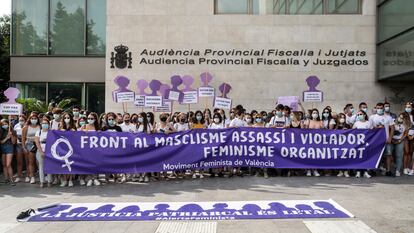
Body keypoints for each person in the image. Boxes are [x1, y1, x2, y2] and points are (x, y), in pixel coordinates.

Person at [369, 102, 394, 176]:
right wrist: (376, 128)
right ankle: (373, 169)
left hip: (386, 139)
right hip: (376, 140)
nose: (379, 109)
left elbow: (392, 128)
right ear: (376, 108)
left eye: (381, 108)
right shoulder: (372, 117)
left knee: (388, 155)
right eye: (378, 108)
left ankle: (388, 170)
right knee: (374, 155)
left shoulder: (388, 117)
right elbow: (370, 129)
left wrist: (390, 137)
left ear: (383, 109)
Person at [81, 112, 101, 186]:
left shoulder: (97, 128)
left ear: (95, 119)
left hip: (95, 149)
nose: (90, 119)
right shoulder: (84, 126)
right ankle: (89, 178)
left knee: (95, 163)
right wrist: (82, 131)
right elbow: (77, 135)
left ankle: (95, 178)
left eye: (91, 118)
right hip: (86, 149)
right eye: (88, 118)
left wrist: (100, 133)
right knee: (88, 164)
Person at [21, 113, 41, 184]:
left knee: (39, 161)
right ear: (29, 119)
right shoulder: (26, 127)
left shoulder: (40, 126)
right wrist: (23, 147)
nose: (34, 120)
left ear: (37, 119)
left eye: (35, 118)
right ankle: (32, 177)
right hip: (29, 145)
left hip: (39, 145)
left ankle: (41, 176)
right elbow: (23, 138)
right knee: (31, 162)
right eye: (32, 118)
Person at [58, 113, 77, 187]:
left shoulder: (73, 127)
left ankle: (70, 180)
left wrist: (74, 132)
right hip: (63, 148)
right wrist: (59, 131)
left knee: (70, 165)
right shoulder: (61, 127)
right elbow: (57, 136)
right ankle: (65, 180)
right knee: (64, 164)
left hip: (71, 148)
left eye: (68, 117)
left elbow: (76, 137)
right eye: (65, 117)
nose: (66, 119)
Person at [353, 110, 372, 178]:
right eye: (358, 115)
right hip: (358, 143)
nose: (359, 116)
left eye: (360, 114)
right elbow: (352, 133)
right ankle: (358, 172)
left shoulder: (369, 123)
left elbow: (372, 133)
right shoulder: (356, 123)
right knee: (359, 157)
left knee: (365, 157)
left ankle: (365, 172)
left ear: (364, 115)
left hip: (366, 143)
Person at [303, 109, 322, 177]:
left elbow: (324, 131)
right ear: (311, 114)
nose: (315, 114)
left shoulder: (320, 122)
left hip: (317, 142)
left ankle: (315, 170)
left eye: (316, 113)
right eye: (313, 113)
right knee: (309, 155)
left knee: (315, 156)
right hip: (309, 141)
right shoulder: (308, 121)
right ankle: (308, 170)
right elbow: (304, 130)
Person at [34, 117, 52, 188]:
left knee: (49, 166)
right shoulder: (38, 132)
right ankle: (42, 181)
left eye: (46, 123)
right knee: (41, 166)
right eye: (43, 123)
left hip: (49, 151)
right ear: (41, 124)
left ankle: (49, 181)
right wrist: (41, 152)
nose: (44, 124)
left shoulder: (51, 132)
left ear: (48, 124)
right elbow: (37, 142)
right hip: (40, 151)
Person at [1, 119, 17, 186]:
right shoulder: (1, 131)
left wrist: (12, 136)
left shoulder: (12, 131)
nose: (4, 125)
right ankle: (6, 179)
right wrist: (6, 138)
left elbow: (14, 142)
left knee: (8, 165)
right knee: (4, 165)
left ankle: (12, 180)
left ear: (8, 124)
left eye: (5, 124)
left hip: (9, 147)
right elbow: (1, 142)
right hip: (2, 148)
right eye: (2, 124)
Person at [335, 113, 351, 178]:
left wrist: (347, 131)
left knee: (346, 157)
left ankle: (346, 171)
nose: (342, 118)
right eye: (341, 117)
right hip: (338, 144)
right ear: (338, 119)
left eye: (343, 117)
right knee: (339, 158)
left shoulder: (347, 125)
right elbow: (332, 134)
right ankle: (340, 171)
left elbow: (352, 133)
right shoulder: (336, 126)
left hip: (346, 144)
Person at [13, 115, 27, 182]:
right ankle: (19, 176)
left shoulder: (27, 126)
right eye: (20, 120)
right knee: (19, 161)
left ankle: (28, 176)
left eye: (22, 120)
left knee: (27, 161)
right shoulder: (16, 126)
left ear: (25, 120)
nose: (21, 121)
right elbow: (15, 135)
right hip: (18, 145)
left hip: (27, 145)